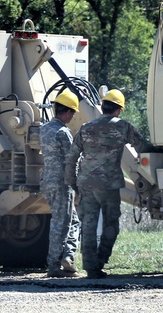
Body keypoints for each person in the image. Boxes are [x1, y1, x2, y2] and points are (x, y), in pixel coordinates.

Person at [65, 89, 150, 278]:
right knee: (111, 223)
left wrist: (72, 183)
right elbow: (143, 147)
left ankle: (90, 266)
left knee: (88, 223)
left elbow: (71, 157)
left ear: (103, 107)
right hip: (109, 184)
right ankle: (101, 260)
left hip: (86, 183)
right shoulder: (122, 127)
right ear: (119, 110)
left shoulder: (86, 128)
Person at [40, 89, 82, 278]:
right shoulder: (63, 132)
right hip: (62, 184)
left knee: (73, 221)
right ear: (66, 112)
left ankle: (68, 256)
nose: (72, 117)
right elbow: (71, 160)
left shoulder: (44, 129)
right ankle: (54, 265)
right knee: (61, 224)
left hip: (48, 181)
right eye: (72, 113)